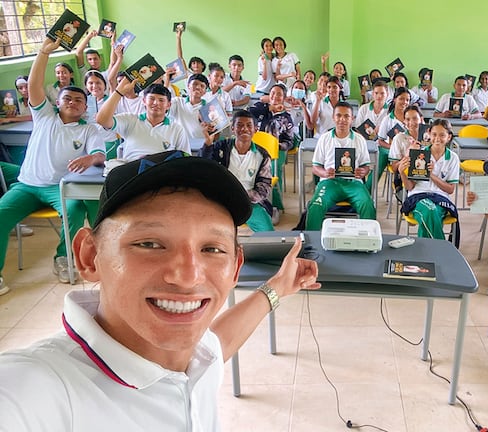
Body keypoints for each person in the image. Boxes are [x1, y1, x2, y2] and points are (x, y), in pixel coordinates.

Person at [0, 150, 320, 429]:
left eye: (212, 249)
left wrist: (277, 288)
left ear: (235, 267)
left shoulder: (196, 359)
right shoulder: (35, 390)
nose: (187, 277)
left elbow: (218, 345)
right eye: (149, 244)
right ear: (89, 256)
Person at [0, 37, 107, 292]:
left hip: (59, 188)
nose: (72, 103)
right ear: (57, 102)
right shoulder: (44, 115)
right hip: (27, 186)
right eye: (67, 98)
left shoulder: (89, 129)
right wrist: (43, 52)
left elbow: (99, 154)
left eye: (78, 101)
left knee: (74, 210)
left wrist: (90, 158)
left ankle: (63, 258)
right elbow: (34, 84)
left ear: (85, 107)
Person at [202, 110, 274, 232]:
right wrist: (208, 144)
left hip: (250, 203)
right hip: (222, 201)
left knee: (268, 233)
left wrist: (242, 197)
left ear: (255, 130)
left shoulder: (262, 155)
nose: (244, 129)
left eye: (249, 125)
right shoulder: (221, 148)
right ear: (233, 129)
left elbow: (264, 186)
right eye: (239, 125)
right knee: (207, 230)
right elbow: (204, 167)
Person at [306, 102, 375, 230]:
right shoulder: (324, 138)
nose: (342, 119)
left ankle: (368, 238)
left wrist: (362, 172)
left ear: (352, 119)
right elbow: (315, 168)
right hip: (329, 182)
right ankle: (311, 240)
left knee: (367, 204)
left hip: (354, 183)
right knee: (316, 205)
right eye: (338, 115)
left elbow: (366, 166)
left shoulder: (359, 139)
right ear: (333, 117)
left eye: (346, 116)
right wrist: (325, 173)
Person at [96, 80, 189, 161]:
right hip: (132, 171)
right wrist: (119, 92)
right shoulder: (130, 120)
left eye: (161, 100)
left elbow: (185, 159)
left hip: (162, 173)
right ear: (144, 101)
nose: (156, 103)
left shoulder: (177, 130)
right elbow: (102, 120)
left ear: (168, 105)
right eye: (151, 99)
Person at [398, 119, 459, 241]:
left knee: (431, 213)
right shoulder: (419, 154)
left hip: (440, 199)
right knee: (430, 211)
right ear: (429, 134)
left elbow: (450, 189)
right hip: (418, 196)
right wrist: (401, 172)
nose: (437, 139)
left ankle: (426, 250)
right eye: (434, 134)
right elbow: (410, 187)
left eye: (442, 135)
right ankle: (440, 248)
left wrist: (431, 175)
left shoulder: (453, 158)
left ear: (449, 137)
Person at [249, 83, 295, 213]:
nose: (275, 96)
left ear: (284, 98)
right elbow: (249, 113)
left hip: (277, 152)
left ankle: (275, 206)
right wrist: (270, 107)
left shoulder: (286, 118)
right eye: (273, 93)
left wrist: (279, 146)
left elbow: (289, 140)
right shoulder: (260, 107)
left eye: (279, 94)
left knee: (271, 171)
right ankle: (254, 201)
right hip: (255, 149)